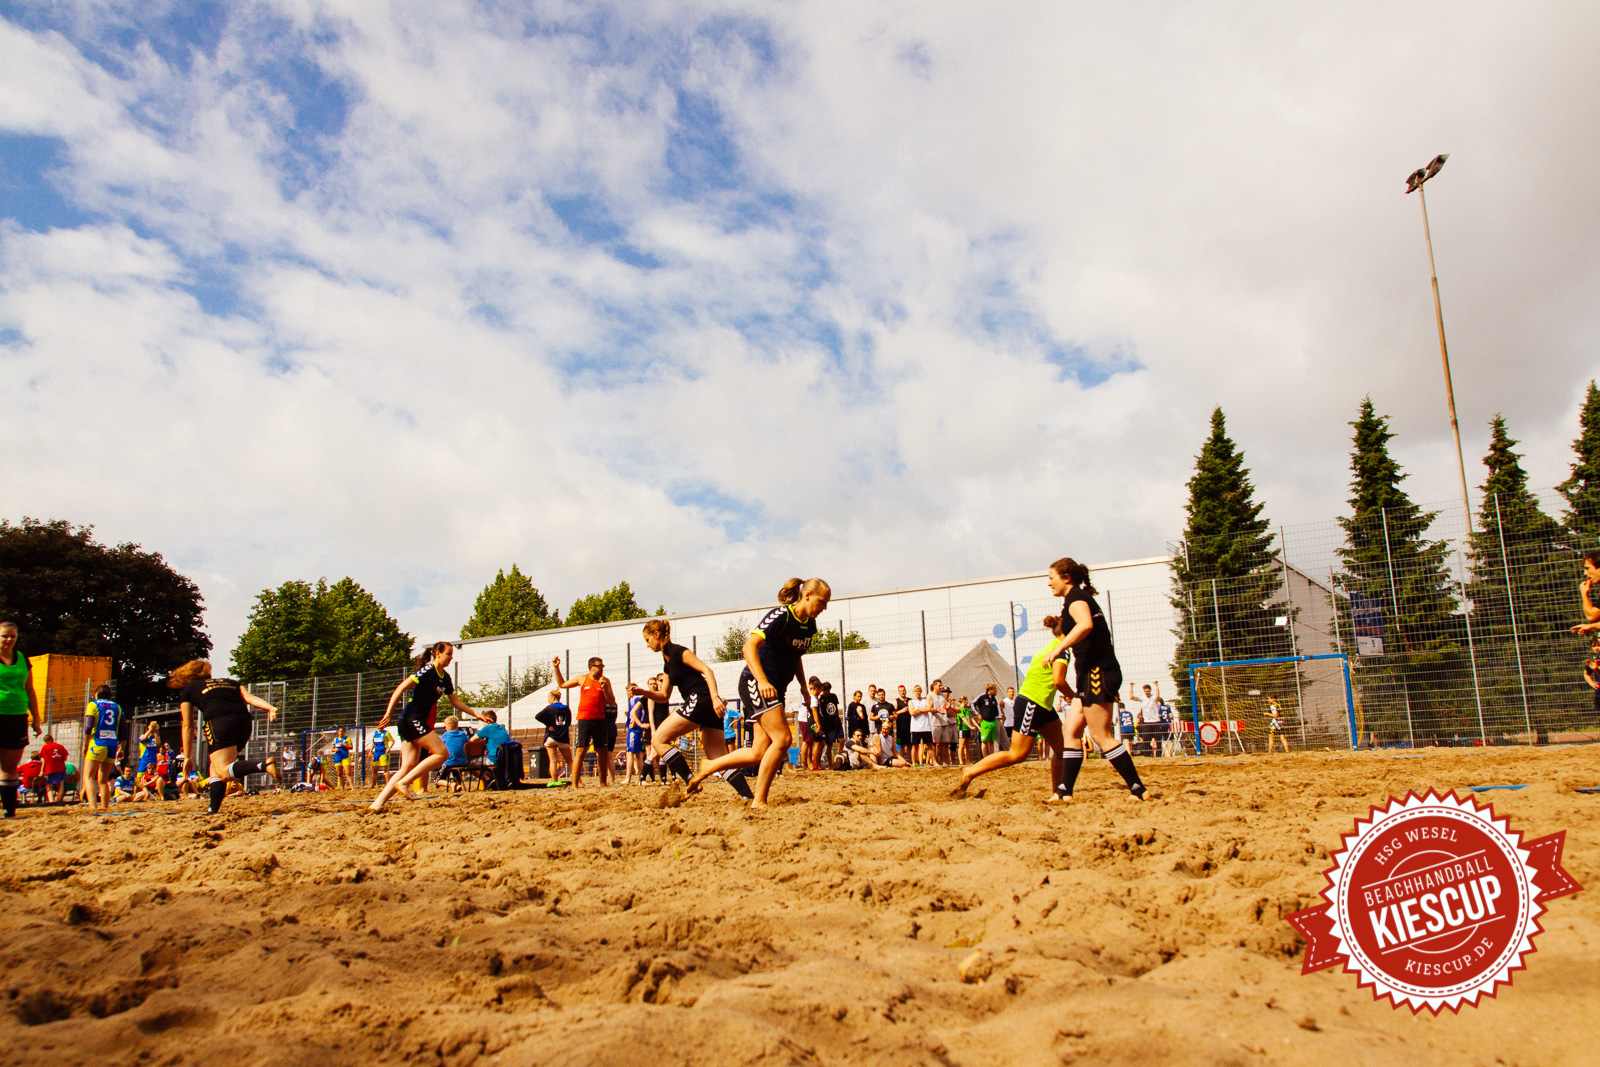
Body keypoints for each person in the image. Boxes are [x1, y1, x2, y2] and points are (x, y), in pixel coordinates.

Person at [687, 578, 830, 808]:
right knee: (783, 739)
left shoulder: (810, 626)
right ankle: (759, 800)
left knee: (758, 752)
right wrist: (762, 680)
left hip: (775, 689)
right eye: (822, 602)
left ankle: (710, 766)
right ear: (807, 596)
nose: (824, 608)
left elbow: (796, 657)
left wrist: (803, 687)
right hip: (755, 682)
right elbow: (748, 647)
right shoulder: (781, 616)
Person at [1053, 557, 1147, 801]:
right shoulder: (1074, 599)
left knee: (1100, 735)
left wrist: (1057, 648)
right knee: (1070, 731)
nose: (1049, 583)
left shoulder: (1076, 598)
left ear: (1066, 577)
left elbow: (1085, 625)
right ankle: (1064, 791)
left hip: (1098, 673)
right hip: (1088, 674)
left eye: (1051, 578)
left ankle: (1138, 789)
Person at [625, 619, 752, 799]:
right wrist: (643, 691)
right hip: (706, 705)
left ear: (656, 635)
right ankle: (748, 796)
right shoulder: (667, 661)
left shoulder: (679, 651)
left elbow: (707, 671)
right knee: (718, 759)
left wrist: (716, 697)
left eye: (647, 640)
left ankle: (690, 779)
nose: (647, 645)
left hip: (700, 700)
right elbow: (664, 696)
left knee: (658, 741)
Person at [951, 615, 1074, 798]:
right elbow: (1058, 681)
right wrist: (1076, 696)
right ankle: (970, 771)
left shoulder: (1049, 647)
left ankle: (1059, 793)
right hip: (1033, 703)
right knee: (1017, 754)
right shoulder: (1061, 650)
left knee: (1062, 749)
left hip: (1043, 705)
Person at [369, 642, 484, 811]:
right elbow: (400, 688)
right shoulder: (427, 671)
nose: (451, 658)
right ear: (437, 653)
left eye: (452, 654)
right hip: (411, 719)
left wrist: (476, 714)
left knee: (407, 766)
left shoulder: (445, 678)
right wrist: (388, 714)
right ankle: (404, 782)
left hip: (415, 721)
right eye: (449, 654)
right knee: (442, 753)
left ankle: (376, 804)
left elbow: (455, 701)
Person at [168, 663, 281, 814]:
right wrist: (269, 708)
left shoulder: (190, 689)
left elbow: (188, 725)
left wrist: (187, 756)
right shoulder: (230, 682)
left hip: (220, 722)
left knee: (222, 771)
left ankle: (263, 765)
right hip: (244, 722)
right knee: (215, 767)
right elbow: (248, 697)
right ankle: (212, 810)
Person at [552, 656, 618, 787]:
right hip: (584, 720)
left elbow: (611, 701)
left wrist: (605, 688)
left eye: (602, 666)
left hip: (600, 720)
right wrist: (556, 667)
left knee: (603, 752)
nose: (601, 669)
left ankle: (603, 783)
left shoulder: (605, 681)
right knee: (580, 751)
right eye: (599, 666)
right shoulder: (582, 679)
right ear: (591, 667)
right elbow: (562, 684)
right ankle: (575, 784)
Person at [0, 621, 42, 818]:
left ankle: (9, 809)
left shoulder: (22, 659)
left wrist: (36, 718)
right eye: (4, 636)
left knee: (10, 767)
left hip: (17, 716)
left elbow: (30, 689)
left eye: (12, 636)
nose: (8, 640)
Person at [81, 684, 126, 812]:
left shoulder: (93, 705)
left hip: (97, 743)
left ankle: (93, 807)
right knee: (103, 779)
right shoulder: (117, 707)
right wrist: (122, 747)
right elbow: (124, 729)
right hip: (112, 744)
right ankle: (105, 807)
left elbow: (89, 726)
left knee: (88, 777)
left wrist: (84, 745)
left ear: (96, 694)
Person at [535, 690, 573, 780]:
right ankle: (577, 780)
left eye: (548, 698)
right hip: (563, 737)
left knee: (553, 761)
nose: (548, 700)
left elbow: (538, 716)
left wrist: (548, 725)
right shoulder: (566, 708)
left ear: (553, 698)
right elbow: (569, 723)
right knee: (570, 761)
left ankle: (555, 781)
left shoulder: (550, 708)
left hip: (551, 737)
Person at [814, 680, 843, 770]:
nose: (828, 692)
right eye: (826, 690)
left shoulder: (833, 696)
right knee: (829, 745)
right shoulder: (820, 699)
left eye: (829, 690)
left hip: (836, 723)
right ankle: (830, 764)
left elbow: (835, 708)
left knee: (842, 740)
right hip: (828, 725)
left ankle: (839, 760)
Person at [438, 716, 471, 792]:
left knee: (437, 780)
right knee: (456, 769)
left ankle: (451, 784)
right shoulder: (463, 735)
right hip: (463, 762)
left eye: (445, 725)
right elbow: (468, 744)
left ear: (449, 726)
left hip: (449, 762)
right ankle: (458, 785)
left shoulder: (446, 735)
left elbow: (440, 744)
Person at [624, 693, 649, 785]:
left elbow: (636, 713)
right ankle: (640, 778)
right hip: (638, 730)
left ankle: (628, 778)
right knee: (638, 755)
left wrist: (633, 723)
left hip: (634, 730)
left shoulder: (635, 699)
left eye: (629, 691)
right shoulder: (636, 700)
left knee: (630, 753)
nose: (628, 693)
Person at [39, 733, 69, 804]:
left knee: (49, 787)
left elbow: (44, 760)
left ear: (45, 741)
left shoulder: (45, 747)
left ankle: (51, 802)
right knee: (61, 785)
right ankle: (59, 801)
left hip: (51, 768)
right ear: (52, 740)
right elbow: (65, 757)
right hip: (61, 768)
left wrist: (42, 771)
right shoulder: (60, 746)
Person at [907, 685, 932, 767]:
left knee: (930, 745)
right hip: (916, 728)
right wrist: (922, 710)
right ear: (913, 692)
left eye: (919, 691)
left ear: (921, 692)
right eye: (916, 691)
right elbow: (912, 713)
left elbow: (928, 708)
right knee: (914, 746)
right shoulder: (911, 702)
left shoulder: (925, 700)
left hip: (926, 726)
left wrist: (918, 709)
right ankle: (914, 763)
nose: (917, 693)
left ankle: (932, 762)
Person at [974, 684, 1002, 757]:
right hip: (985, 722)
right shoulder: (982, 697)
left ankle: (991, 757)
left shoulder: (994, 698)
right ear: (990, 689)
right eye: (995, 689)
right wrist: (978, 714)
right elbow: (972, 704)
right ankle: (985, 757)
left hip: (993, 721)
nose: (996, 691)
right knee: (984, 741)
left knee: (991, 741)